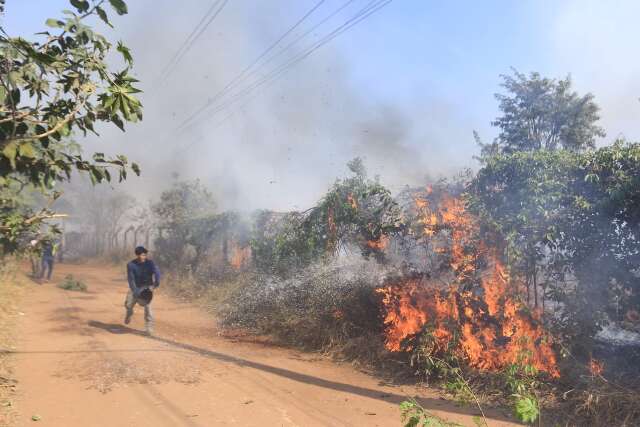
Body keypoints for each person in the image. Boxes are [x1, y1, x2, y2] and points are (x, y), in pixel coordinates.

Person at [125, 246, 161, 335]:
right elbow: (131, 279)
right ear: (137, 255)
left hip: (147, 287)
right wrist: (135, 291)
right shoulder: (131, 265)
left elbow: (157, 274)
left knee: (148, 307)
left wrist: (155, 285)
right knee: (128, 304)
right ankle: (129, 313)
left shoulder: (150, 263)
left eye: (145, 255)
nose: (144, 257)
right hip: (135, 287)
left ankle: (149, 327)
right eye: (142, 255)